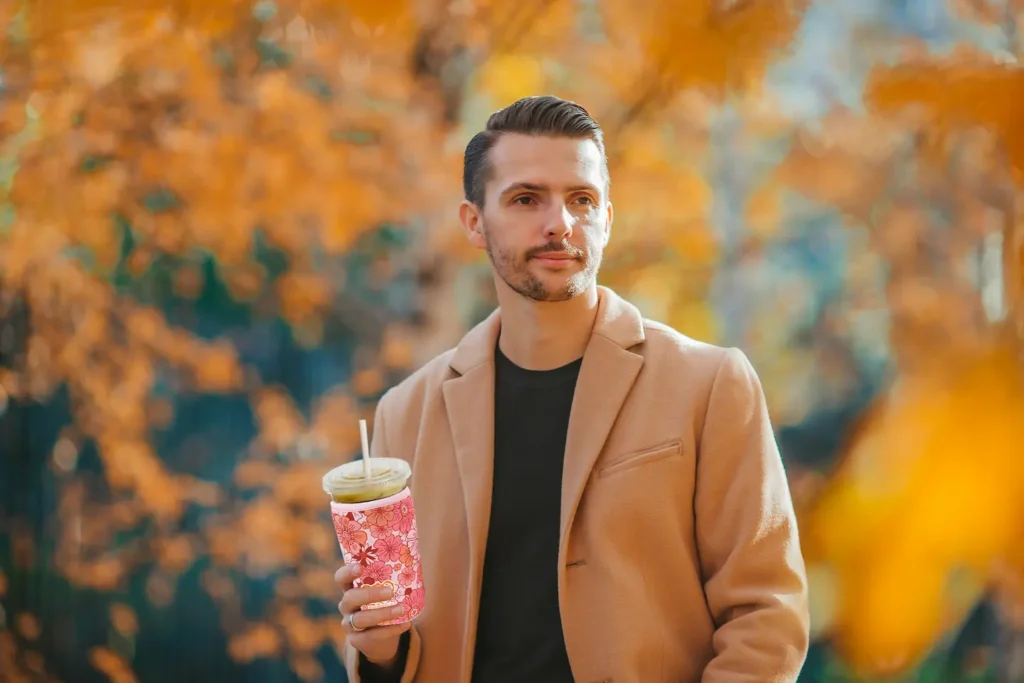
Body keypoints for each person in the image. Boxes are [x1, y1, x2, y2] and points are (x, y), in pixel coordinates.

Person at [334, 95, 810, 683]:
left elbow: (767, 616)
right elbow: (406, 640)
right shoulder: (405, 413)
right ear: (474, 222)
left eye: (580, 199)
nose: (559, 222)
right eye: (526, 199)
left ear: (607, 217)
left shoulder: (710, 385)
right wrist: (381, 651)